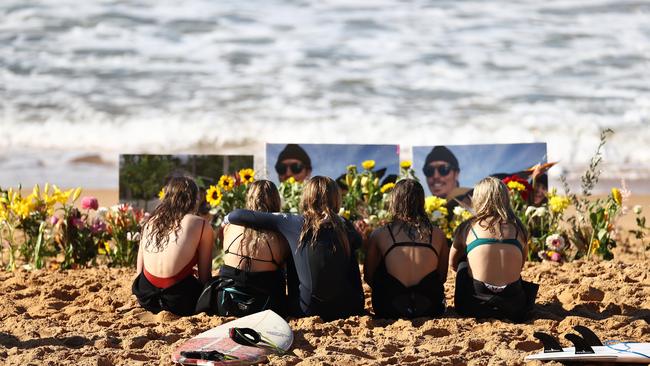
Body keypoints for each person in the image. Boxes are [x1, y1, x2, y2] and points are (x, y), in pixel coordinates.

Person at [224, 176, 364, 321]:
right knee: (348, 247)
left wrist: (226, 218)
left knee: (295, 247)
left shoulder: (293, 221)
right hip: (349, 308)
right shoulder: (345, 224)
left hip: (307, 310)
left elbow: (237, 215)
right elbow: (359, 242)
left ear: (306, 197)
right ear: (336, 199)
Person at [450, 177, 538, 322]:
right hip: (514, 307)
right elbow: (521, 265)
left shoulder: (467, 227)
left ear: (478, 199)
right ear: (505, 198)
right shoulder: (519, 229)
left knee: (462, 263)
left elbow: (452, 264)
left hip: (474, 306)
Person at [364, 179, 449, 318]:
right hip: (430, 307)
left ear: (394, 201)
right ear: (422, 202)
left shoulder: (380, 234)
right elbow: (442, 277)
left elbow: (368, 276)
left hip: (389, 308)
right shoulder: (438, 234)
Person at [132, 176, 214, 316]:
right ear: (194, 199)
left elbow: (140, 272)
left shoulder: (150, 222)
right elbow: (204, 276)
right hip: (179, 301)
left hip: (146, 297)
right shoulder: (200, 224)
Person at [212, 180, 290, 316]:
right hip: (262, 308)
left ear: (249, 199)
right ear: (276, 200)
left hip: (225, 303)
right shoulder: (281, 236)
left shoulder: (229, 227)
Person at [422, 146, 472, 215]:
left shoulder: (472, 200)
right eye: (429, 171)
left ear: (456, 174)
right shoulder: (423, 210)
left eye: (443, 169)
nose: (436, 176)